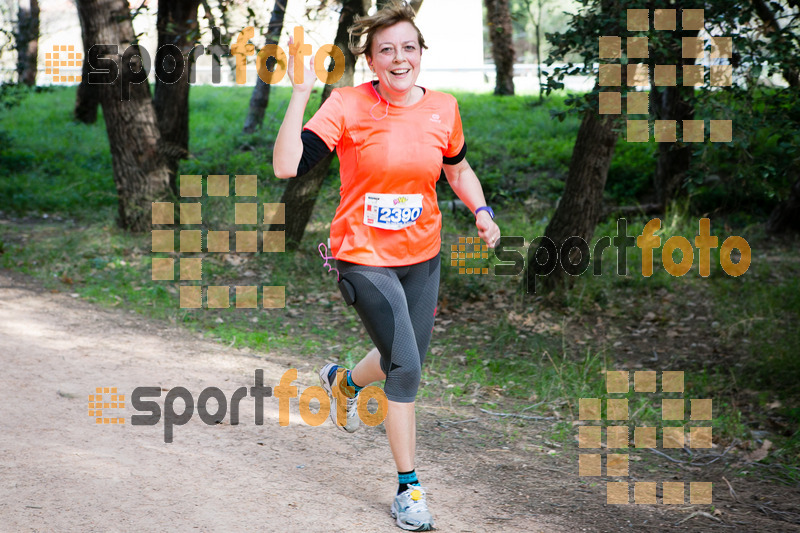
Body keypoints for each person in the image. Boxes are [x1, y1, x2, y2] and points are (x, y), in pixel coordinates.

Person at [273, 2, 501, 530]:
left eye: (408, 48)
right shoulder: (347, 104)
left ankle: (344, 383)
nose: (399, 58)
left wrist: (482, 211)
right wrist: (301, 91)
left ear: (421, 54)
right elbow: (288, 165)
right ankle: (409, 488)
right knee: (408, 369)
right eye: (386, 50)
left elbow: (458, 169)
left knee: (402, 355)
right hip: (362, 256)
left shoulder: (443, 108)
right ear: (371, 61)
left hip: (422, 256)